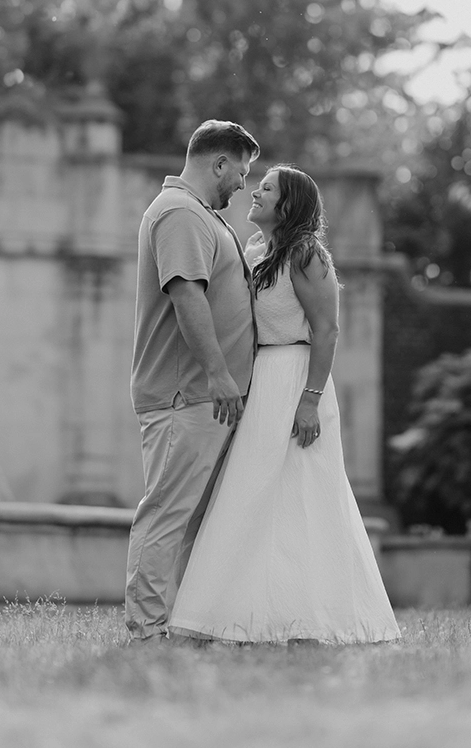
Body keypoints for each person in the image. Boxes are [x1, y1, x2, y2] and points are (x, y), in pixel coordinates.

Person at [167, 164, 400, 644]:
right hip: (261, 380)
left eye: (266, 188)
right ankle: (235, 616)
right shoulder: (256, 251)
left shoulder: (307, 255)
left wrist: (310, 400)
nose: (255, 191)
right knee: (248, 493)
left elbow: (328, 330)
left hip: (297, 381)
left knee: (305, 498)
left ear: (287, 204)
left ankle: (315, 616)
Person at [124, 120, 260, 641]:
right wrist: (219, 373)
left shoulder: (200, 215)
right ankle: (146, 629)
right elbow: (187, 296)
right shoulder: (180, 213)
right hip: (188, 393)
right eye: (240, 172)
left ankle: (179, 624)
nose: (242, 185)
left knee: (192, 517)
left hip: (205, 395)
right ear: (218, 164)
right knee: (167, 512)